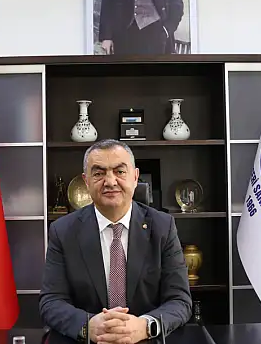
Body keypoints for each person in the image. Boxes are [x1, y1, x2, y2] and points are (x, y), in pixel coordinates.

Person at [39, 139, 192, 343]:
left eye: (120, 171)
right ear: (86, 181)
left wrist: (146, 326)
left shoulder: (162, 227)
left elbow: (180, 300)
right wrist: (87, 325)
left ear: (135, 177)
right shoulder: (63, 231)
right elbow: (51, 301)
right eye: (99, 173)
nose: (110, 182)